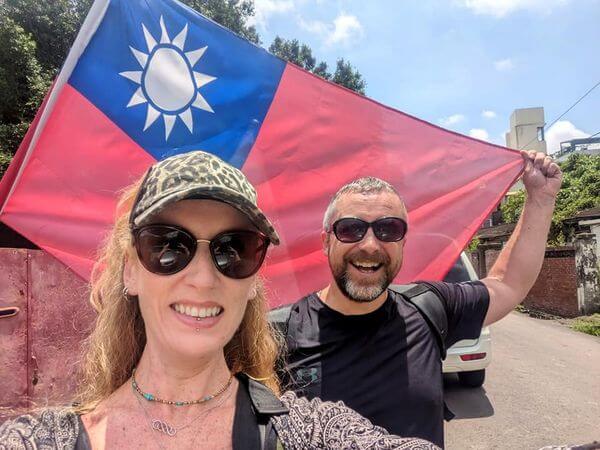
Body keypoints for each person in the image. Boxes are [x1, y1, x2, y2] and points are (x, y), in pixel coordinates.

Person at [0, 151, 439, 449]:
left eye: (235, 248)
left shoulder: (306, 432)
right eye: (169, 245)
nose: (205, 277)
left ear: (252, 282)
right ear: (130, 270)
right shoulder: (42, 439)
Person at [276, 150, 562, 448]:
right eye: (351, 229)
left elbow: (507, 284)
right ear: (326, 241)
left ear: (403, 241)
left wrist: (541, 199)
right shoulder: (280, 333)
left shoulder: (428, 307)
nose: (371, 245)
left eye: (389, 229)